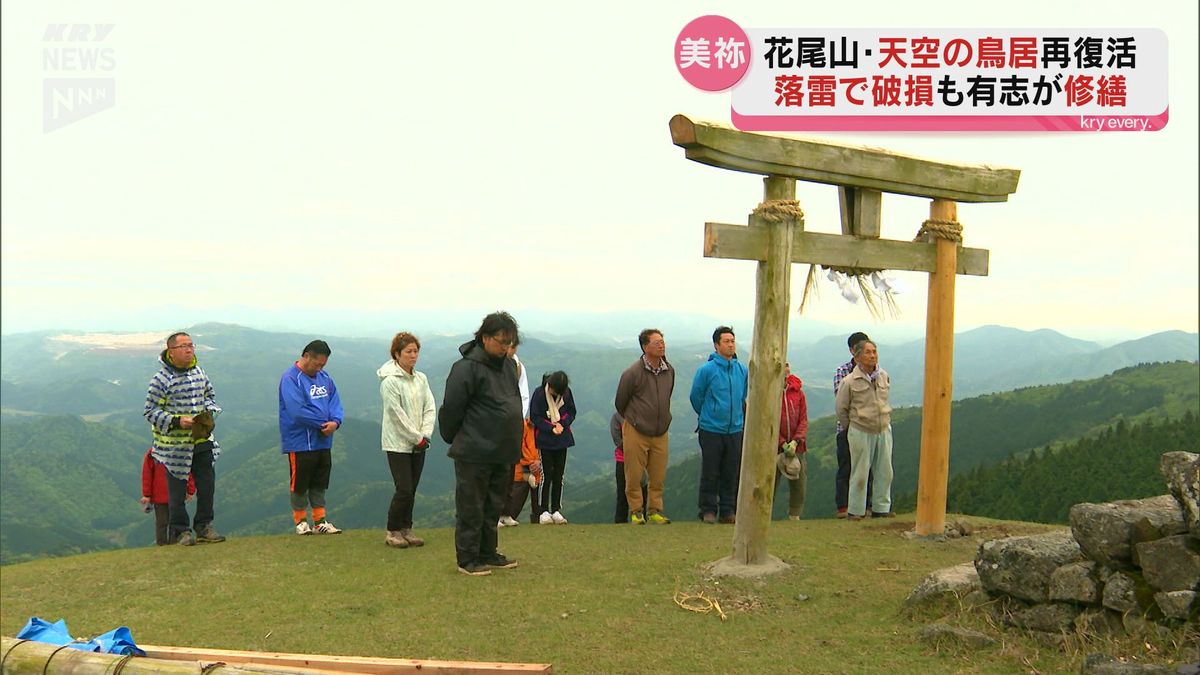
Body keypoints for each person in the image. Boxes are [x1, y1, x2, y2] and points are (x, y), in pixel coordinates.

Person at [439, 311, 524, 576]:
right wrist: (457, 437)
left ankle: (488, 552)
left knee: (494, 505)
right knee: (471, 505)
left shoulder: (510, 366)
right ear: (485, 338)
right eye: (501, 341)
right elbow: (452, 409)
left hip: (503, 449)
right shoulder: (466, 368)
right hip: (475, 450)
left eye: (509, 342)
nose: (505, 347)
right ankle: (467, 558)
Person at [143, 331, 226, 546]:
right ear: (171, 351)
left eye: (191, 345)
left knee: (207, 487)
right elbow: (150, 411)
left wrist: (208, 412)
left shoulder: (199, 373)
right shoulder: (161, 379)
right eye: (183, 346)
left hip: (201, 440)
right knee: (177, 492)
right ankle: (181, 531)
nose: (189, 349)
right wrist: (177, 421)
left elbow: (210, 397)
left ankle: (204, 526)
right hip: (174, 447)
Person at [279, 339, 345, 535]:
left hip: (323, 441)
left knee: (319, 481)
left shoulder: (325, 378)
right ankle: (301, 522)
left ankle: (320, 521)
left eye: (323, 364)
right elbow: (296, 410)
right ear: (306, 356)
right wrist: (322, 423)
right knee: (300, 483)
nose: (319, 368)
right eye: (317, 364)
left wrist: (335, 422)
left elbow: (335, 402)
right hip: (300, 442)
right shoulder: (290, 378)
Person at [378, 331, 436, 548]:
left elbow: (429, 407)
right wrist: (415, 437)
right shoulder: (390, 382)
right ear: (397, 354)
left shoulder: (421, 379)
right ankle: (392, 530)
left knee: (412, 488)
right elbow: (396, 414)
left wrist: (425, 434)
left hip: (419, 443)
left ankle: (406, 528)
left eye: (416, 351)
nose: (413, 355)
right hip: (397, 443)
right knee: (403, 488)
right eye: (408, 351)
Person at [614, 329, 675, 525]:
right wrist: (635, 419)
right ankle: (636, 511)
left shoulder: (669, 371)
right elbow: (620, 402)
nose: (661, 345)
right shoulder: (632, 373)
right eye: (656, 342)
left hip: (661, 430)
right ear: (644, 347)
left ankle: (655, 510)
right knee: (633, 473)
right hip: (636, 429)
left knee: (658, 475)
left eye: (662, 341)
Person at [689, 326, 749, 524]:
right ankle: (707, 510)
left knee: (731, 471)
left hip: (735, 429)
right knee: (711, 470)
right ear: (716, 345)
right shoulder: (707, 370)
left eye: (732, 340)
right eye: (726, 341)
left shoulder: (741, 369)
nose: (731, 344)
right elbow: (696, 396)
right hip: (711, 429)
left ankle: (727, 510)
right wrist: (709, 415)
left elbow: (742, 396)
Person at [834, 339, 895, 521]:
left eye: (874, 351)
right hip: (860, 429)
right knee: (860, 471)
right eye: (868, 352)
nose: (872, 355)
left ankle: (881, 508)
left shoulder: (883, 375)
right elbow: (841, 409)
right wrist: (852, 427)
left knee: (885, 470)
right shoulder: (849, 381)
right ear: (858, 356)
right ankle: (856, 510)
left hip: (883, 428)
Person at [834, 331, 873, 518]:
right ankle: (843, 507)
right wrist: (851, 426)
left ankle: (868, 505)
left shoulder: (875, 373)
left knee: (868, 467)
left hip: (868, 429)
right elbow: (842, 404)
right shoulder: (843, 372)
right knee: (846, 467)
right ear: (852, 350)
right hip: (846, 428)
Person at [531, 370, 576, 525]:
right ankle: (543, 510)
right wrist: (551, 428)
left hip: (562, 439)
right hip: (545, 440)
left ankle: (556, 508)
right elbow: (535, 416)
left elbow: (571, 412)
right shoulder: (539, 393)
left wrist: (562, 424)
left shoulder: (566, 393)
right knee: (545, 476)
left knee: (559, 475)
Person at [774, 363, 808, 520]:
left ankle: (795, 514)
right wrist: (781, 443)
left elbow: (803, 419)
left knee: (799, 482)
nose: (785, 368)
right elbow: (768, 421)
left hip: (797, 446)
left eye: (787, 365)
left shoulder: (798, 392)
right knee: (770, 482)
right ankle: (765, 513)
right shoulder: (770, 392)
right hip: (774, 447)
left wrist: (795, 441)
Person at [140, 447, 194, 546]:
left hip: (168, 495)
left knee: (166, 522)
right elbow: (186, 470)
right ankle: (165, 544)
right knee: (164, 522)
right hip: (170, 496)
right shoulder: (153, 454)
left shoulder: (153, 453)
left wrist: (147, 494)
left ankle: (167, 544)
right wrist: (146, 494)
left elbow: (187, 470)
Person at [500, 417, 542, 527]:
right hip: (521, 471)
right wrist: (532, 462)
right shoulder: (523, 425)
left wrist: (538, 462)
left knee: (537, 502)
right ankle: (502, 517)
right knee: (514, 503)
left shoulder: (539, 427)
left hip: (536, 470)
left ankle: (536, 523)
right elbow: (519, 446)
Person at [611, 412, 647, 524]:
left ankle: (641, 517)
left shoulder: (641, 415)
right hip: (623, 460)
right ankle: (621, 521)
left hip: (639, 459)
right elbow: (617, 439)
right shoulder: (617, 417)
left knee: (642, 489)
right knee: (622, 492)